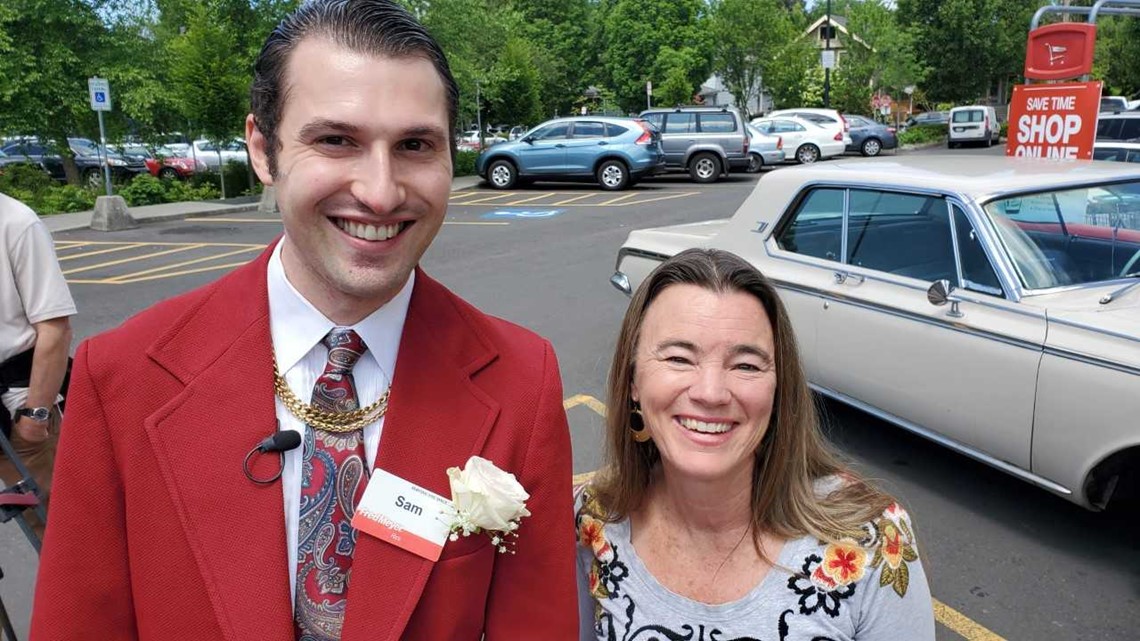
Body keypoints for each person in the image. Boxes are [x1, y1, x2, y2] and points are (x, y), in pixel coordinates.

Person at [31, 1, 576, 639]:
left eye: (415, 145)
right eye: (336, 140)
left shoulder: (521, 379)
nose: (380, 191)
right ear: (263, 150)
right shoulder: (122, 375)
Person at [575, 248, 935, 640]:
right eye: (679, 358)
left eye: (746, 365)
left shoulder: (870, 540)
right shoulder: (594, 523)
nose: (711, 393)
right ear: (633, 383)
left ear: (779, 389)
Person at [0, 192, 75, 539]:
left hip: (17, 411)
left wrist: (35, 415)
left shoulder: (16, 223)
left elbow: (54, 329)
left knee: (56, 532)